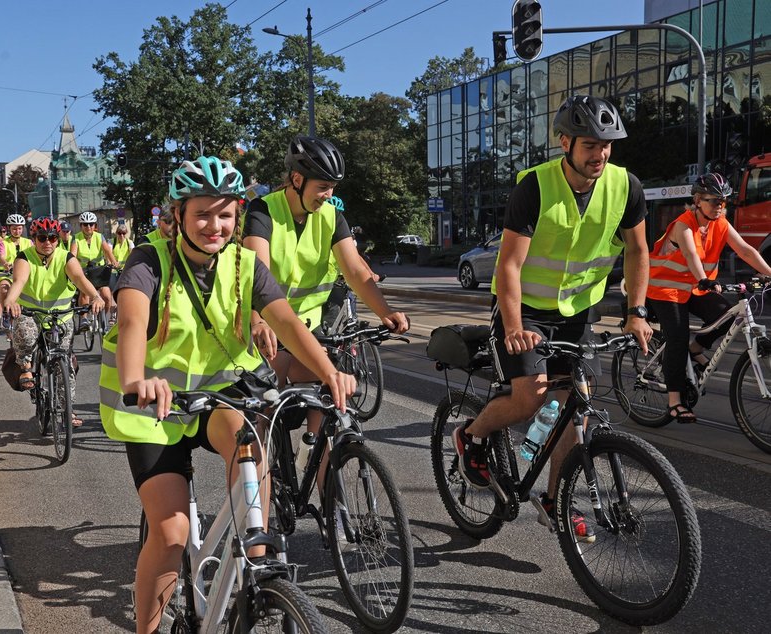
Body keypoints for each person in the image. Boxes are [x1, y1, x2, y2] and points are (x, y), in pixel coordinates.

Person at [98, 156, 356, 634]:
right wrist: (137, 380)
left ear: (238, 217)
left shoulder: (244, 264)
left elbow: (288, 323)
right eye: (202, 213)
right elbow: (132, 321)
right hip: (154, 408)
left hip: (219, 397)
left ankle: (254, 574)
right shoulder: (149, 259)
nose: (214, 225)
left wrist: (328, 373)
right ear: (179, 215)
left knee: (249, 449)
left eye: (225, 214)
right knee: (171, 533)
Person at [455, 95, 654, 543]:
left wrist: (636, 312)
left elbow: (639, 251)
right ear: (565, 143)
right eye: (589, 145)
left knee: (573, 406)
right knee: (532, 398)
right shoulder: (535, 187)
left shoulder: (626, 187)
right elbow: (507, 265)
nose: (600, 155)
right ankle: (472, 434)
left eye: (607, 145)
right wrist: (512, 328)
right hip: (523, 310)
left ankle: (554, 499)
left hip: (577, 312)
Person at [242, 135, 409, 495]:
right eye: (322, 187)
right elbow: (257, 277)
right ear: (297, 180)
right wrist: (257, 321)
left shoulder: (332, 215)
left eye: (332, 188)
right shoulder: (263, 212)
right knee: (263, 412)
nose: (327, 195)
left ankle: (332, 506)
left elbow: (355, 271)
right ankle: (259, 505)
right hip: (270, 330)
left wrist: (386, 311)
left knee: (330, 402)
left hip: (311, 331)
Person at [646, 172, 771, 423]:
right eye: (714, 201)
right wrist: (704, 278)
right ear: (697, 200)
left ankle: (696, 349)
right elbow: (692, 255)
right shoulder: (683, 224)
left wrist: (769, 272)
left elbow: (745, 250)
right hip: (664, 290)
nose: (719, 207)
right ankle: (674, 402)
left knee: (726, 316)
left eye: (723, 202)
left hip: (695, 287)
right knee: (677, 338)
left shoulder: (721, 223)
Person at [3, 217, 104, 426]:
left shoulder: (65, 257)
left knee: (64, 364)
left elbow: (79, 279)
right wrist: (11, 300)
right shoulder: (24, 257)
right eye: (42, 238)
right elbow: (19, 281)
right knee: (27, 332)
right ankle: (26, 367)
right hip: (32, 313)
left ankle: (67, 411)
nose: (48, 242)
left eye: (53, 238)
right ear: (34, 239)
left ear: (58, 239)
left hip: (61, 316)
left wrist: (95, 297)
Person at [70, 211, 119, 330]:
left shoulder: (99, 236)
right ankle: (84, 319)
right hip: (84, 271)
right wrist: (71, 266)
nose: (88, 227)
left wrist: (114, 262)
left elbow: (107, 251)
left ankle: (104, 320)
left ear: (94, 226)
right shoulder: (76, 238)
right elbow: (72, 255)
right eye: (85, 224)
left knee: (107, 296)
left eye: (91, 224)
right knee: (84, 293)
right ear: (81, 226)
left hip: (99, 270)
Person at [0, 214, 33, 332]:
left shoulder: (29, 242)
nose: (17, 231)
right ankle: (5, 313)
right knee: (3, 288)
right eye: (14, 228)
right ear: (9, 229)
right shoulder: (3, 242)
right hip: (8, 273)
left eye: (19, 228)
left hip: (24, 274)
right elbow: (1, 256)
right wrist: (6, 264)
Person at [110, 224, 134, 292]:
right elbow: (108, 252)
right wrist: (113, 262)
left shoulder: (129, 242)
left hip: (125, 269)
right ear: (116, 233)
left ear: (126, 233)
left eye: (123, 233)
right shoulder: (112, 241)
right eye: (119, 233)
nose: (121, 235)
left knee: (125, 289)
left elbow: (132, 254)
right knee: (113, 288)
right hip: (114, 269)